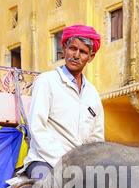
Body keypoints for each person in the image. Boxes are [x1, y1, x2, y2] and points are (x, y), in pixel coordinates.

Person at [20, 24, 104, 180]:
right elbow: (37, 128)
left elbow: (96, 140)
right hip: (45, 161)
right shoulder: (46, 81)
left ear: (90, 57)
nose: (76, 55)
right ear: (64, 48)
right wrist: (65, 163)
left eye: (83, 52)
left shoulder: (93, 95)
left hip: (80, 168)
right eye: (73, 48)